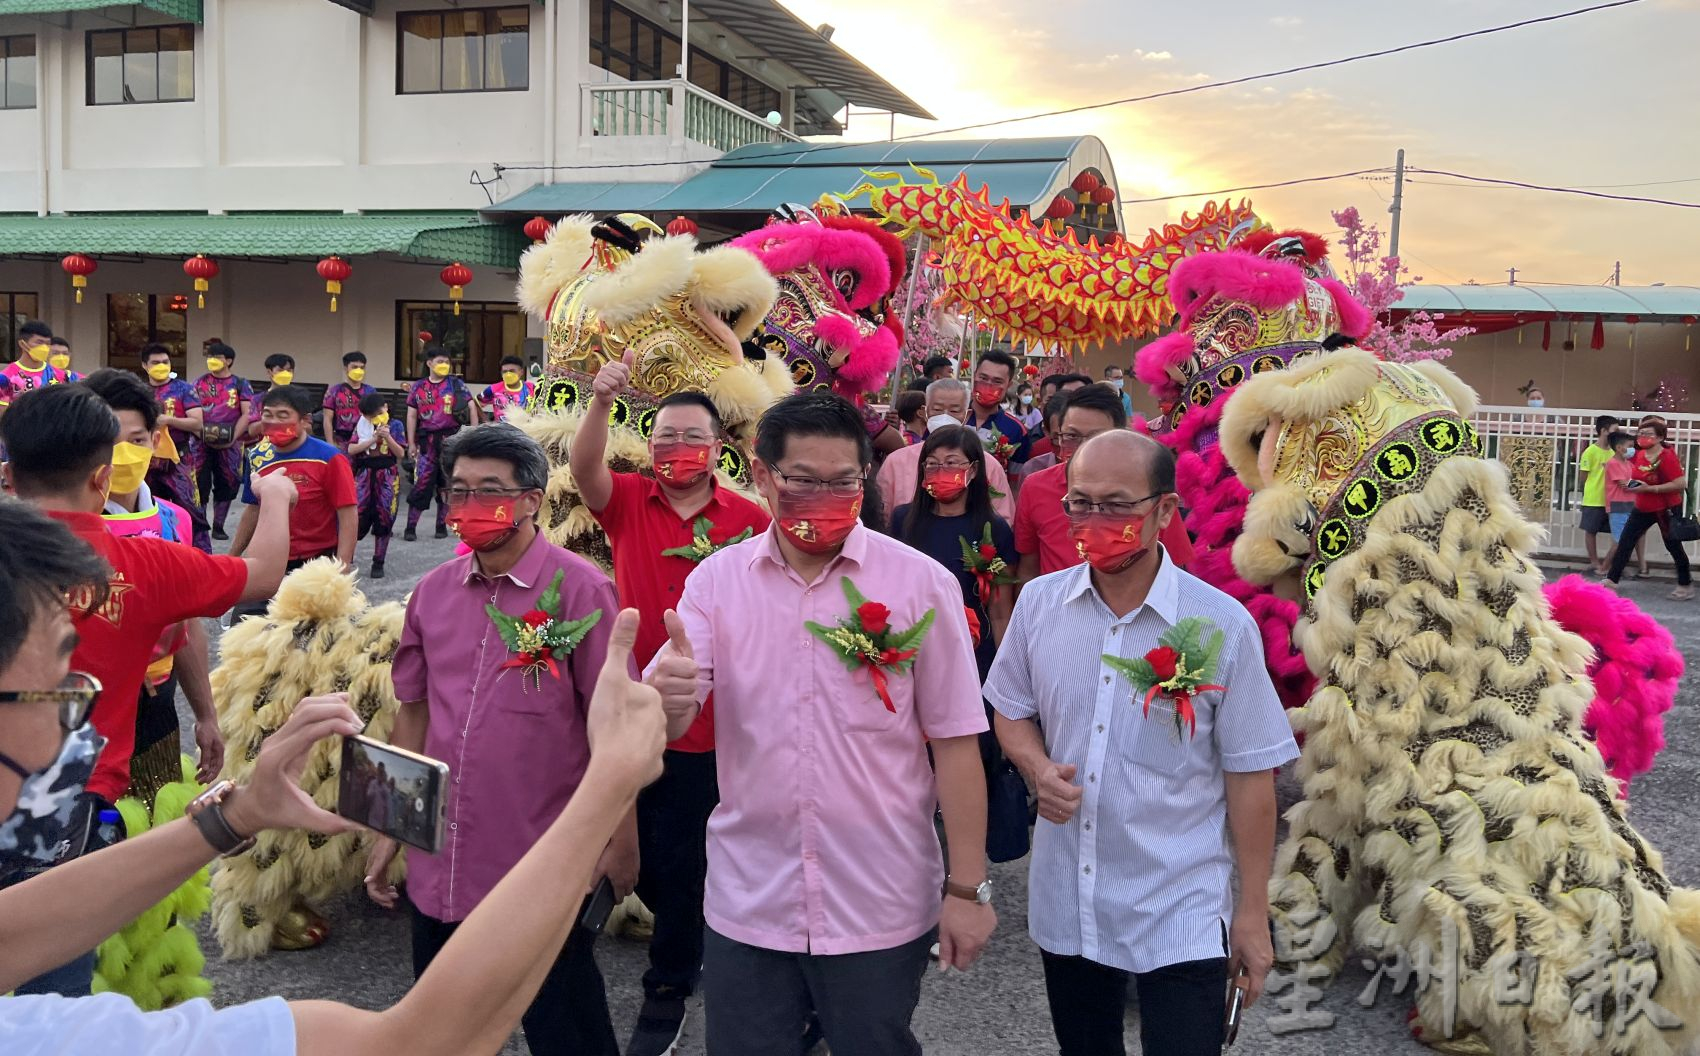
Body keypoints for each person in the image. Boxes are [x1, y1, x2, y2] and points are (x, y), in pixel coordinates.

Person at [0, 497, 673, 1056]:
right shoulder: (50, 1039)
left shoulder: (579, 587)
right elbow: (418, 1043)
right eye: (63, 676)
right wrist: (610, 782)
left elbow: (15, 932)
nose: (81, 708)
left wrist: (232, 819)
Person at [645, 391, 997, 1056]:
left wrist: (968, 888)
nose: (823, 497)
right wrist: (666, 697)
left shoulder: (919, 584)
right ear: (760, 474)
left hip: (878, 897)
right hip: (751, 897)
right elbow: (673, 709)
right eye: (801, 481)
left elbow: (955, 742)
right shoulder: (718, 584)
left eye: (842, 483)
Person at [986, 430, 1296, 1056]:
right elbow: (1010, 710)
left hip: (1179, 901)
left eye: (1117, 505)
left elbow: (1249, 777)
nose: (1095, 521)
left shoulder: (1219, 624)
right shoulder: (1041, 605)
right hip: (1071, 898)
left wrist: (1253, 912)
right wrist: (1034, 765)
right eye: (1081, 503)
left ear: (1163, 510)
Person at [0, 383, 294, 997]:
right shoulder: (142, 564)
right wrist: (275, 496)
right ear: (103, 479)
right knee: (47, 997)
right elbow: (263, 575)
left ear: (8, 472)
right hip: (68, 819)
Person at [366, 422, 634, 1056]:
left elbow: (614, 728)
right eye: (458, 491)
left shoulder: (581, 591)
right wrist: (388, 826)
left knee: (565, 1027)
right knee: (438, 1031)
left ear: (533, 500)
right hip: (440, 863)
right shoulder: (431, 594)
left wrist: (621, 842)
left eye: (490, 490)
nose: (470, 507)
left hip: (539, 861)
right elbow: (413, 713)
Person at [570, 349, 772, 1056]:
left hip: (714, 716)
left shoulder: (747, 516)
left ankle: (670, 981)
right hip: (633, 706)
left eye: (691, 439)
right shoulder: (627, 501)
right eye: (663, 440)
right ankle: (688, 944)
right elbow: (583, 470)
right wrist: (600, 401)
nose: (677, 451)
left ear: (719, 450)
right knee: (642, 850)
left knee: (685, 855)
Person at [83, 369, 224, 801]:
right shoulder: (67, 525)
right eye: (111, 441)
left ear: (156, 440)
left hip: (158, 703)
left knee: (153, 815)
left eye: (137, 440)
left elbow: (186, 624)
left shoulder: (173, 520)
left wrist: (206, 715)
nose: (124, 454)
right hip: (86, 712)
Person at [1014, 384, 1192, 584]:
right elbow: (1027, 568)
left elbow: (1176, 568)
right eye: (1071, 437)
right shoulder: (1035, 487)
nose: (1084, 448)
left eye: (1096, 438)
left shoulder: (1148, 491)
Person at [230, 385, 357, 600]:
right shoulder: (257, 456)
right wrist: (232, 557)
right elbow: (253, 510)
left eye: (283, 416)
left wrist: (342, 567)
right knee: (250, 625)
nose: (274, 422)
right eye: (268, 415)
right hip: (266, 561)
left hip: (314, 563)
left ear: (305, 421)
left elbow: (348, 513)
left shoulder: (329, 458)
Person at [876, 379, 1015, 522]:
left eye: (954, 411)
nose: (945, 416)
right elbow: (882, 519)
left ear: (966, 416)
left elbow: (1003, 519)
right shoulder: (896, 462)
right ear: (925, 412)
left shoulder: (986, 464)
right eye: (937, 409)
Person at [1605, 419, 1693, 599]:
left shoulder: (1666, 456)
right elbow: (1631, 470)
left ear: (1660, 437)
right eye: (1641, 434)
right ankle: (1611, 581)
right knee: (1626, 542)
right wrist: (1633, 485)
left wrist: (1651, 489)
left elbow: (1680, 483)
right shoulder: (1638, 454)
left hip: (1665, 508)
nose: (1643, 438)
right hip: (1642, 507)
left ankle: (1685, 584)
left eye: (1648, 434)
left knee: (1673, 546)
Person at [140, 344, 211, 552]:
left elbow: (197, 423)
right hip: (148, 460)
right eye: (155, 362)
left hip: (180, 458)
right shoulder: (139, 391)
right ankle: (159, 553)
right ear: (145, 365)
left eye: (165, 362)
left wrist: (167, 420)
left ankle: (201, 557)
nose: (161, 366)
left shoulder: (184, 389)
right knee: (150, 508)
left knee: (191, 510)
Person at [405, 347, 474, 541]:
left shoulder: (456, 385)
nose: (443, 365)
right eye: (439, 361)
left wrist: (474, 434)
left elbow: (471, 406)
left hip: (450, 440)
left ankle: (441, 525)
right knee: (421, 484)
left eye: (446, 362)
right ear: (429, 363)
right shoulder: (418, 387)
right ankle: (411, 527)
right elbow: (411, 415)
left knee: (447, 484)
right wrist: (411, 443)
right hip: (426, 443)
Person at [191, 341, 255, 541]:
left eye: (217, 357)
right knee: (199, 482)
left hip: (231, 442)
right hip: (201, 441)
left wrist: (233, 437)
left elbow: (247, 413)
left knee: (228, 483)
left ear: (228, 361)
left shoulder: (240, 384)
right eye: (210, 357)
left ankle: (219, 525)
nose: (212, 361)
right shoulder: (199, 382)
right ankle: (200, 524)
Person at [348, 391, 406, 580]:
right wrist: (373, 438)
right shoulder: (362, 426)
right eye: (371, 416)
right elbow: (352, 449)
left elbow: (400, 453)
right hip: (364, 475)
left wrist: (387, 437)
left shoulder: (396, 425)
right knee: (357, 516)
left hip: (387, 475)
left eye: (379, 413)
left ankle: (378, 561)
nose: (376, 418)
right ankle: (346, 558)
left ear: (386, 408)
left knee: (385, 516)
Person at [964, 350, 1031, 469]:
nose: (988, 385)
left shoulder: (1016, 430)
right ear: (974, 376)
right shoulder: (951, 418)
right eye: (983, 378)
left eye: (997, 381)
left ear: (1008, 385)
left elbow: (1015, 481)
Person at [1599, 430, 1648, 578]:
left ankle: (1612, 568)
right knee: (1619, 541)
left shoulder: (1628, 464)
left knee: (1624, 540)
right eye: (1630, 446)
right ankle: (1604, 568)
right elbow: (1624, 484)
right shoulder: (1613, 463)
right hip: (1618, 506)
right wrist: (1645, 485)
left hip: (1630, 505)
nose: (1633, 449)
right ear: (1619, 448)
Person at [1576, 415, 1618, 575]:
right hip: (1594, 498)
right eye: (1614, 430)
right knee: (1591, 530)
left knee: (1617, 532)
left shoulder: (1616, 452)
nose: (1617, 434)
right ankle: (1594, 562)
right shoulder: (1590, 452)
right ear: (1603, 431)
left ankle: (1610, 562)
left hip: (1613, 499)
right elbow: (1583, 476)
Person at [0, 322, 71, 415]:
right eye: (39, 342)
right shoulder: (6, 377)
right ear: (22, 344)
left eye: (48, 343)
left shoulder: (61, 375)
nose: (44, 347)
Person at [322, 351, 376, 446]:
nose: (358, 370)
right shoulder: (334, 391)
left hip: (365, 440)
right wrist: (330, 444)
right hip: (341, 439)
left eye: (362, 367)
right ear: (346, 368)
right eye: (354, 367)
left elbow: (376, 415)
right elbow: (327, 419)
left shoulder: (370, 391)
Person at [244, 355, 297, 444]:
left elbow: (308, 428)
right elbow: (252, 431)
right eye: (280, 370)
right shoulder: (258, 399)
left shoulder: (298, 397)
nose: (285, 373)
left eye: (289, 370)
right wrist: (275, 418)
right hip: (265, 449)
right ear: (269, 372)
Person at [1020, 393, 1070, 482]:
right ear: (1046, 431)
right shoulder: (1033, 470)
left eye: (1072, 436)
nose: (1064, 444)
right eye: (1057, 437)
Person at [477, 355, 537, 423]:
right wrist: (485, 419)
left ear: (521, 372)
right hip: (501, 431)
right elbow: (476, 403)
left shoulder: (531, 388)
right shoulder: (494, 389)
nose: (508, 374)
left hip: (526, 431)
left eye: (512, 371)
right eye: (505, 371)